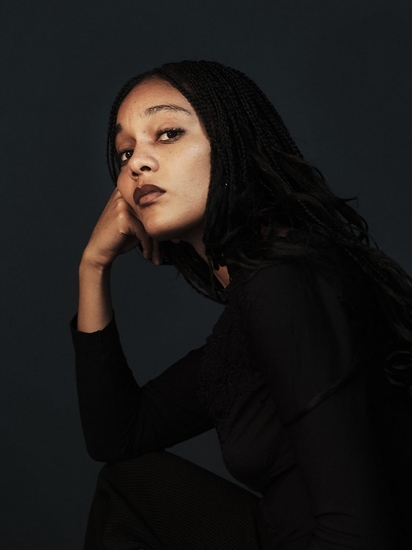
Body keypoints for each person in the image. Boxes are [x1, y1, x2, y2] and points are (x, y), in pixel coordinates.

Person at [71, 60, 412, 550]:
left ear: (234, 143)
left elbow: (358, 532)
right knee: (131, 488)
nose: (137, 164)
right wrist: (93, 266)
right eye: (125, 152)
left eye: (167, 134)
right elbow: (117, 436)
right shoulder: (256, 302)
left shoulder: (286, 285)